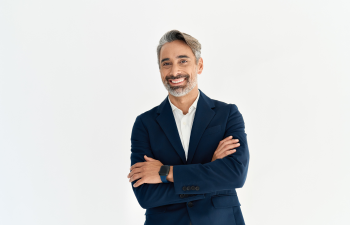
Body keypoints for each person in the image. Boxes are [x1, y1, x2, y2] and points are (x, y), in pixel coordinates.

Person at [127, 30, 249, 225]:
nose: (174, 72)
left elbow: (235, 175)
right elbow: (146, 195)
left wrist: (165, 173)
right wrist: (210, 168)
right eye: (166, 63)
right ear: (160, 70)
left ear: (199, 65)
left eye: (183, 61)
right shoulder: (145, 124)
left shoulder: (227, 114)